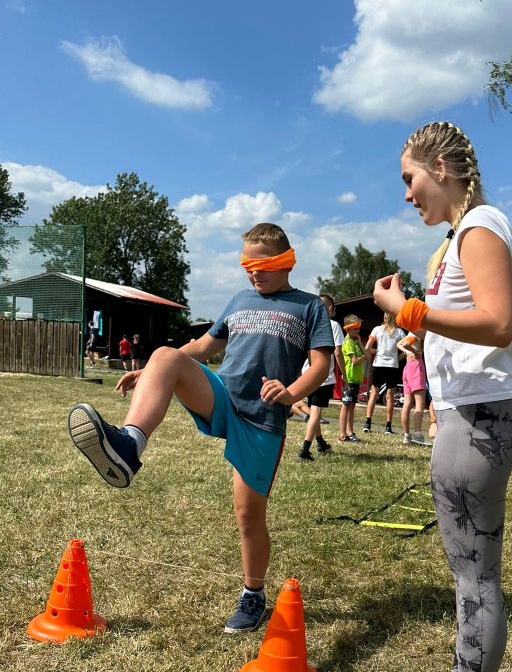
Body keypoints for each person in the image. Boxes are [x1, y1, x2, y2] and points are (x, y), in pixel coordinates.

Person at [67, 222, 333, 632]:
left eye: (263, 265)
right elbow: (203, 347)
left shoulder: (310, 306)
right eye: (247, 265)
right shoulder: (240, 300)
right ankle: (128, 446)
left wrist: (290, 392)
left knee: (248, 515)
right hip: (222, 396)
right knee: (165, 355)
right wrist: (151, 370)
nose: (254, 273)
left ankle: (253, 595)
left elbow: (321, 365)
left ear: (287, 262)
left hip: (263, 418)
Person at [373, 120, 512, 672]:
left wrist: (409, 312)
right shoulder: (468, 232)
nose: (407, 194)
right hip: (474, 417)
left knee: (476, 579)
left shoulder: (480, 227)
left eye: (409, 178)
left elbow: (498, 322)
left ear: (440, 168)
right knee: (470, 574)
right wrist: (425, 338)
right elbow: (472, 326)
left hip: (480, 422)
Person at [298, 293, 345, 461]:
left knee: (314, 411)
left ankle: (320, 442)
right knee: (316, 411)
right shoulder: (333, 325)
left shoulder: (307, 324)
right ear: (330, 308)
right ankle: (305, 450)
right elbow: (338, 352)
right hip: (323, 375)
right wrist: (344, 375)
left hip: (307, 373)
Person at [362, 313, 405, 435]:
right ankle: (388, 427)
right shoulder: (399, 332)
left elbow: (367, 347)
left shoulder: (377, 329)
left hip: (379, 364)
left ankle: (367, 423)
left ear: (384, 317)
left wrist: (377, 351)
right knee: (390, 397)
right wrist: (396, 359)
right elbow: (405, 350)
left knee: (374, 394)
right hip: (392, 366)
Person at [396, 334, 430, 445]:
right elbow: (406, 343)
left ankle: (406, 436)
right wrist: (414, 351)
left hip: (407, 367)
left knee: (407, 404)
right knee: (420, 403)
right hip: (416, 366)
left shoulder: (410, 333)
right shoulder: (416, 334)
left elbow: (399, 344)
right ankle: (418, 435)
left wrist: (407, 352)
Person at [339, 315, 366, 443]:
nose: (357, 331)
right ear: (348, 329)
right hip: (349, 378)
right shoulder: (347, 343)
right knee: (346, 405)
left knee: (352, 406)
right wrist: (362, 358)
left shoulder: (355, 343)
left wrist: (360, 342)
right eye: (355, 328)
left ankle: (350, 432)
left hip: (356, 379)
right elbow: (354, 361)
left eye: (358, 328)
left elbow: (367, 355)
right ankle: (342, 434)